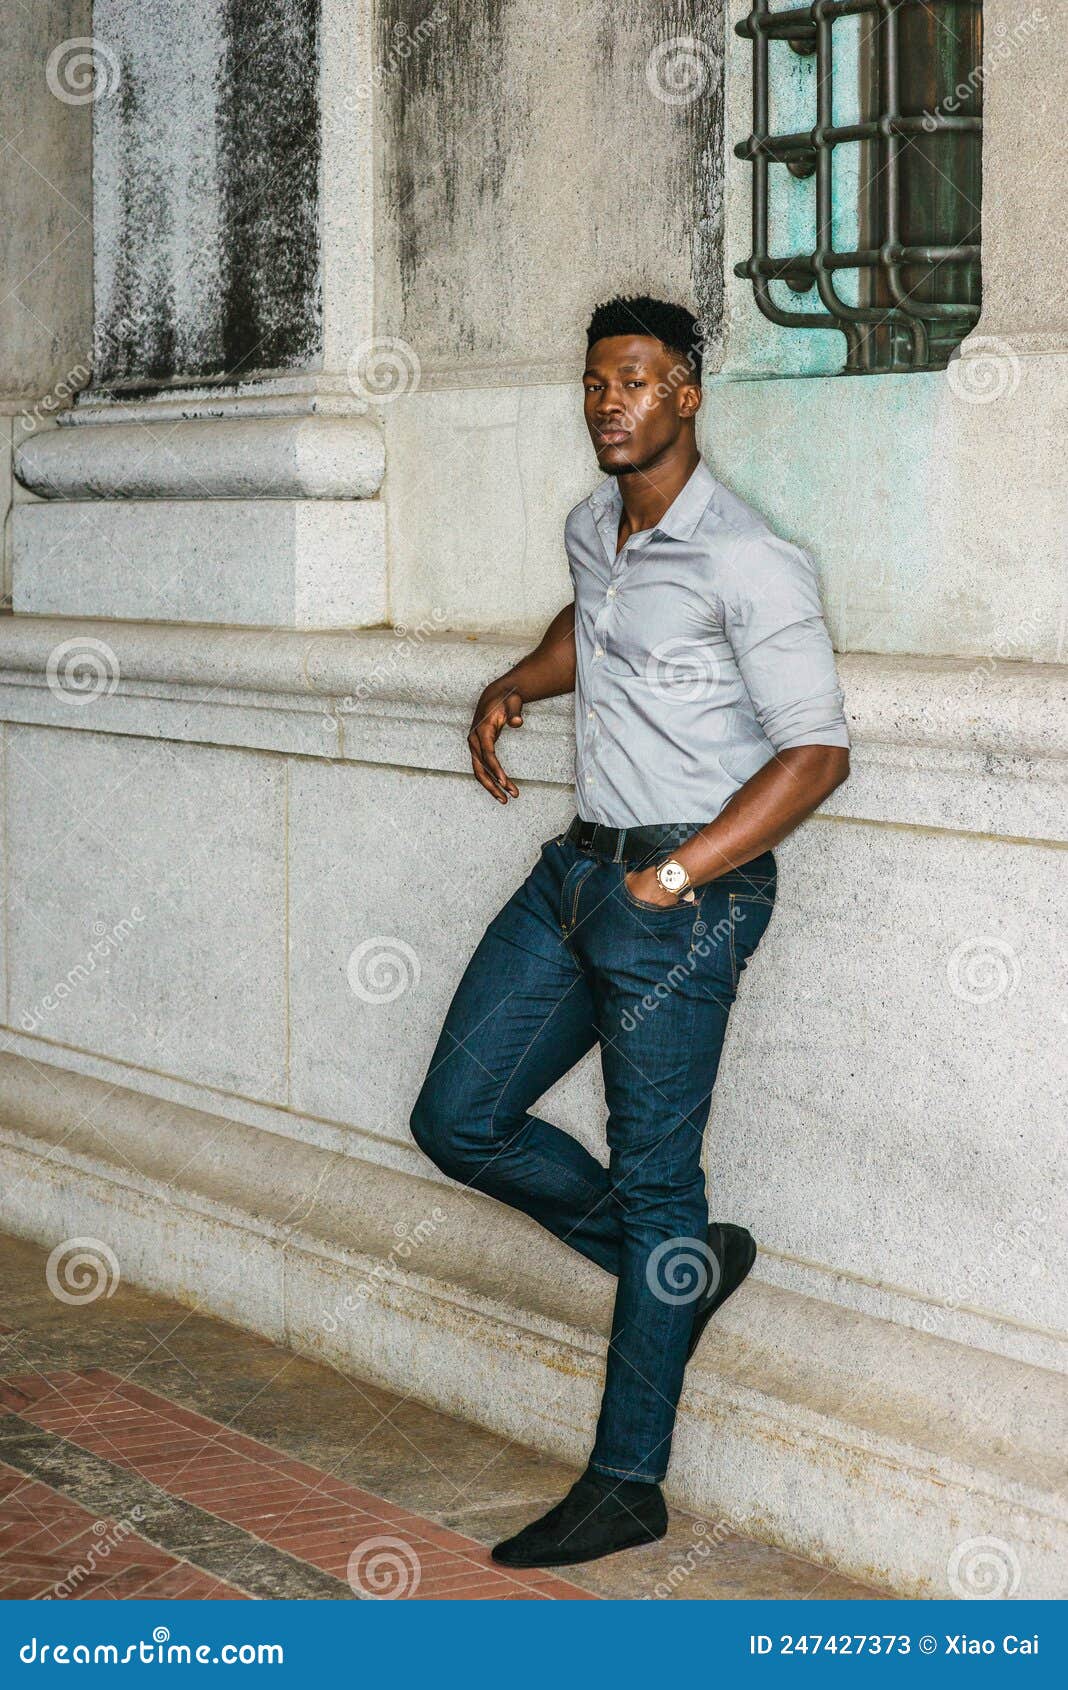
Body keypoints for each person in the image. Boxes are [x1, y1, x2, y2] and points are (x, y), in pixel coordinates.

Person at [410, 295, 850, 1568]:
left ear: (687, 395)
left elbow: (815, 755)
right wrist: (512, 681)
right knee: (459, 1119)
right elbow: (589, 634)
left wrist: (681, 877)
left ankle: (627, 1482)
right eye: (599, 382)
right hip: (575, 874)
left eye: (639, 381)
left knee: (660, 1181)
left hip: (684, 900)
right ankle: (678, 1272)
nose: (611, 401)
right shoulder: (593, 529)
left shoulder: (749, 556)